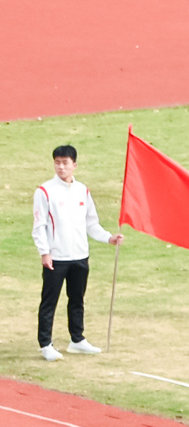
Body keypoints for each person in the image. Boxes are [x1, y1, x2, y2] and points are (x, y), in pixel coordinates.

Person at [32, 144, 121, 362]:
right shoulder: (45, 191)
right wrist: (45, 252)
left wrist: (108, 238)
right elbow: (39, 226)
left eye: (65, 163)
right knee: (49, 301)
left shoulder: (83, 191)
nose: (61, 167)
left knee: (77, 299)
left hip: (80, 256)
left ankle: (77, 339)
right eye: (57, 163)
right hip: (56, 257)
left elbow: (91, 223)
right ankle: (45, 344)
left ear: (74, 165)